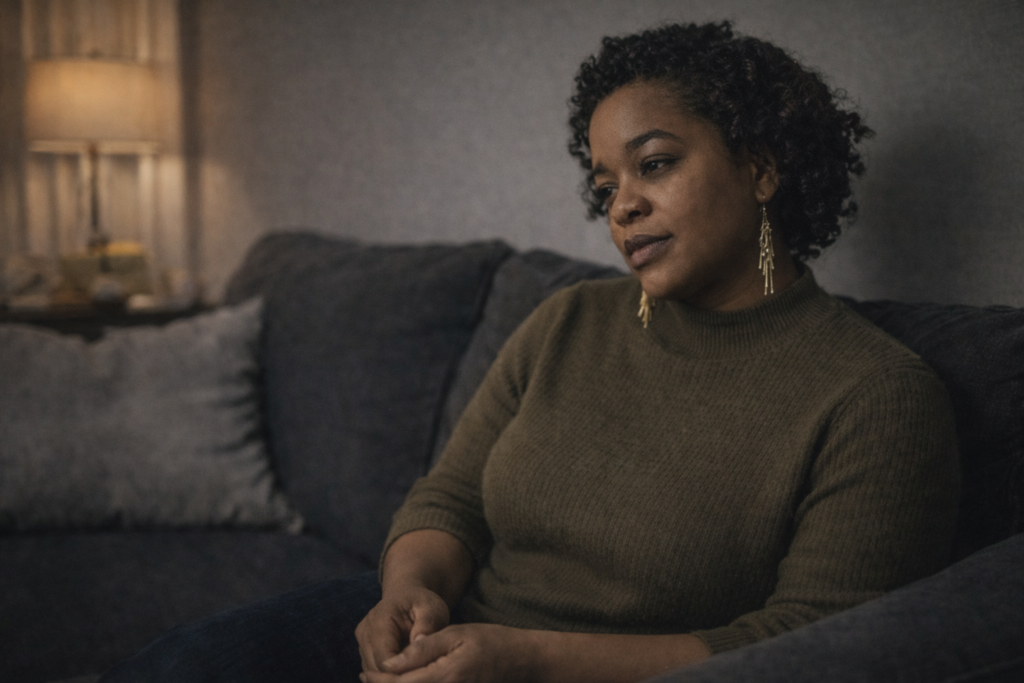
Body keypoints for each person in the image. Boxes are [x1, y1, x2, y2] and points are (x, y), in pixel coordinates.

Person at [101, 20, 960, 683]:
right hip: (445, 641)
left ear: (762, 169)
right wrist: (406, 590)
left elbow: (806, 645)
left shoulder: (873, 394)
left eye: (653, 165)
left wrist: (529, 657)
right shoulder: (571, 319)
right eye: (605, 186)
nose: (621, 208)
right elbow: (452, 497)